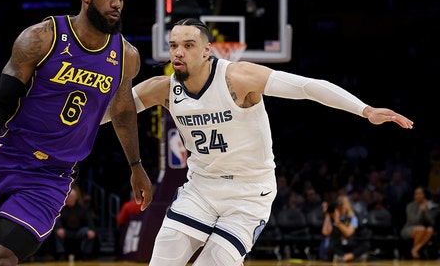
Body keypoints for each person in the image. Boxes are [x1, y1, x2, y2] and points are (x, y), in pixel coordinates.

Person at [117, 18, 413, 266]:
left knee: (216, 260)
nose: (178, 52)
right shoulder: (163, 89)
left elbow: (307, 87)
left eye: (188, 45)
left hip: (248, 191)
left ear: (207, 50)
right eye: (173, 46)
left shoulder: (238, 78)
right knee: (164, 251)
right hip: (202, 187)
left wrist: (366, 110)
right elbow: (110, 111)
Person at [0, 0, 153, 266]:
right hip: (3, 157)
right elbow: (0, 102)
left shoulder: (126, 56)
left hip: (50, 176)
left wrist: (136, 165)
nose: (117, 4)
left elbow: (124, 111)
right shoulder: (42, 38)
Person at [321, 194, 370, 262]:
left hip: (351, 243)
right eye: (340, 204)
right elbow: (325, 233)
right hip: (339, 245)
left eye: (343, 203)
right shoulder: (334, 216)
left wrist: (338, 222)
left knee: (365, 244)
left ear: (348, 204)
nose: (342, 206)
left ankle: (350, 256)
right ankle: (351, 257)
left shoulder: (353, 217)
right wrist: (327, 215)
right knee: (330, 246)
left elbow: (348, 233)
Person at [53, 190, 96, 260]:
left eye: (71, 197)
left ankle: (87, 254)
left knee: (89, 232)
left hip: (79, 231)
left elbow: (89, 221)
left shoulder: (82, 208)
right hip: (66, 231)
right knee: (57, 232)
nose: (69, 199)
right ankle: (60, 254)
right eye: (68, 197)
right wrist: (59, 228)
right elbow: (57, 220)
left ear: (75, 198)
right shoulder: (61, 209)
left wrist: (92, 230)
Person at [400, 186, 435, 259]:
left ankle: (415, 249)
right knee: (421, 229)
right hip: (408, 229)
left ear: (424, 195)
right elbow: (414, 221)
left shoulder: (425, 206)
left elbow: (431, 221)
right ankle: (415, 252)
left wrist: (425, 210)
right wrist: (421, 210)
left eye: (421, 193)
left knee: (430, 230)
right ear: (414, 196)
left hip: (421, 228)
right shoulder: (410, 206)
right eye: (416, 194)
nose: (419, 195)